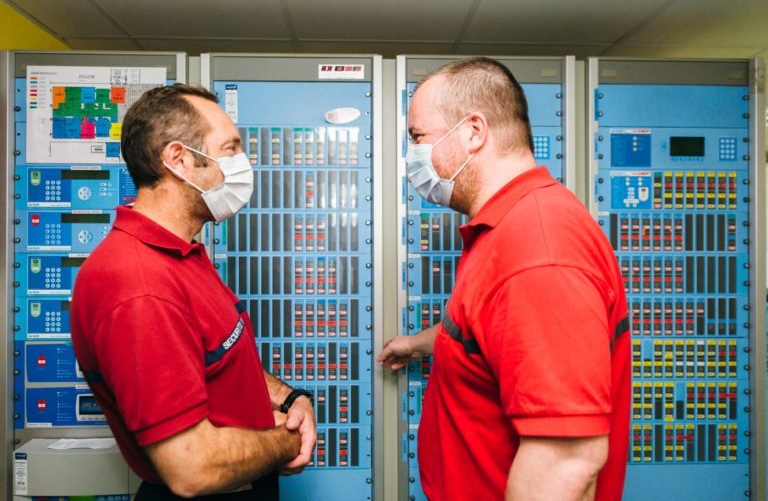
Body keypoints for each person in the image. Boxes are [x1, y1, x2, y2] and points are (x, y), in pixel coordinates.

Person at [377, 57, 630, 501]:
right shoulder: (510, 229)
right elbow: (499, 334)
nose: (413, 155)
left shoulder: (537, 250)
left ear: (474, 131)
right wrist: (421, 343)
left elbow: (566, 461)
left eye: (418, 138)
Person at [71, 84, 316, 501]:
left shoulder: (182, 254)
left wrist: (291, 399)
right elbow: (192, 468)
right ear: (179, 159)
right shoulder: (138, 285)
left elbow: (215, 361)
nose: (243, 163)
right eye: (231, 148)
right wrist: (288, 442)